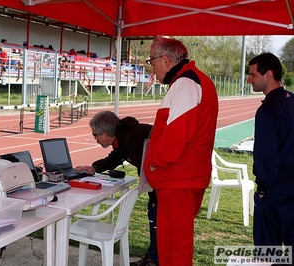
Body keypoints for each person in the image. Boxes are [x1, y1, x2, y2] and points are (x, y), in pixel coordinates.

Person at [143, 36, 218, 265]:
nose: (152, 69)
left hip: (178, 179)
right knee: (175, 246)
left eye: (152, 62)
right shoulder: (191, 80)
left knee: (174, 249)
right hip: (183, 178)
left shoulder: (186, 83)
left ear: (166, 60)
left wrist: (154, 160)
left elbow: (176, 138)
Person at [74, 110, 159, 266]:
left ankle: (156, 260)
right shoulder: (124, 136)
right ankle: (154, 258)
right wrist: (94, 168)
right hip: (162, 183)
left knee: (157, 220)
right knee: (154, 218)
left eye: (95, 135)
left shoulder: (133, 140)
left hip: (168, 183)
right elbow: (116, 157)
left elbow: (150, 169)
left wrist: (155, 198)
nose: (95, 139)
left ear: (105, 134)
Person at [247, 53, 294, 263]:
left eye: (252, 75)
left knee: (268, 254)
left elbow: (265, 155)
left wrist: (264, 189)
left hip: (276, 192)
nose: (249, 79)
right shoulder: (292, 101)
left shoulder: (267, 110)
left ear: (268, 75)